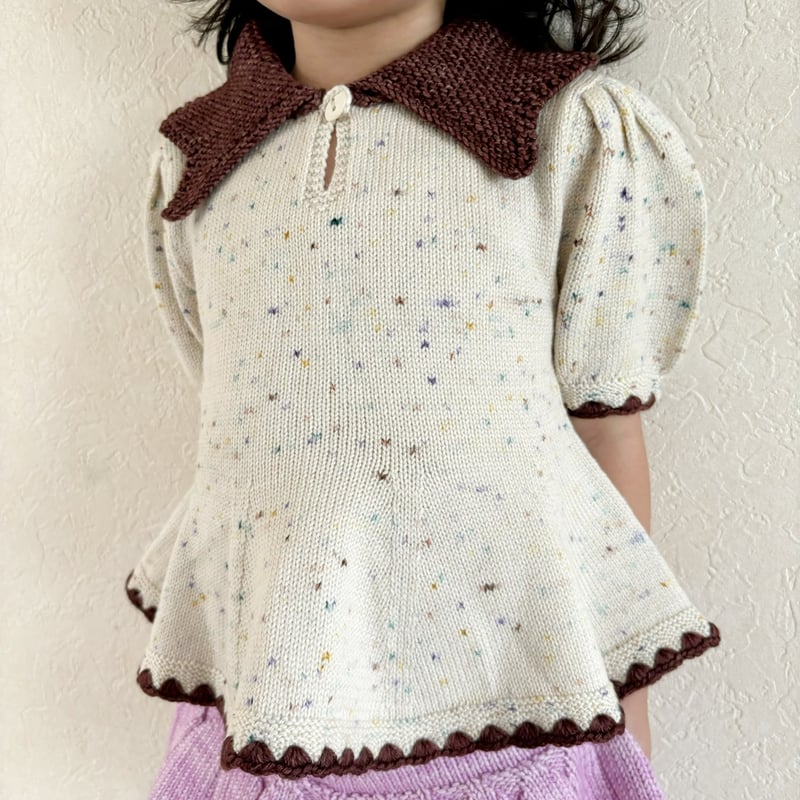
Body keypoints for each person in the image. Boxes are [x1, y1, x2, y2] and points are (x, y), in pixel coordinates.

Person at [125, 1, 722, 797]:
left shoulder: (562, 130)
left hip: (521, 711)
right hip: (263, 709)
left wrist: (625, 694)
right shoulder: (196, 160)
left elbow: (607, 424)